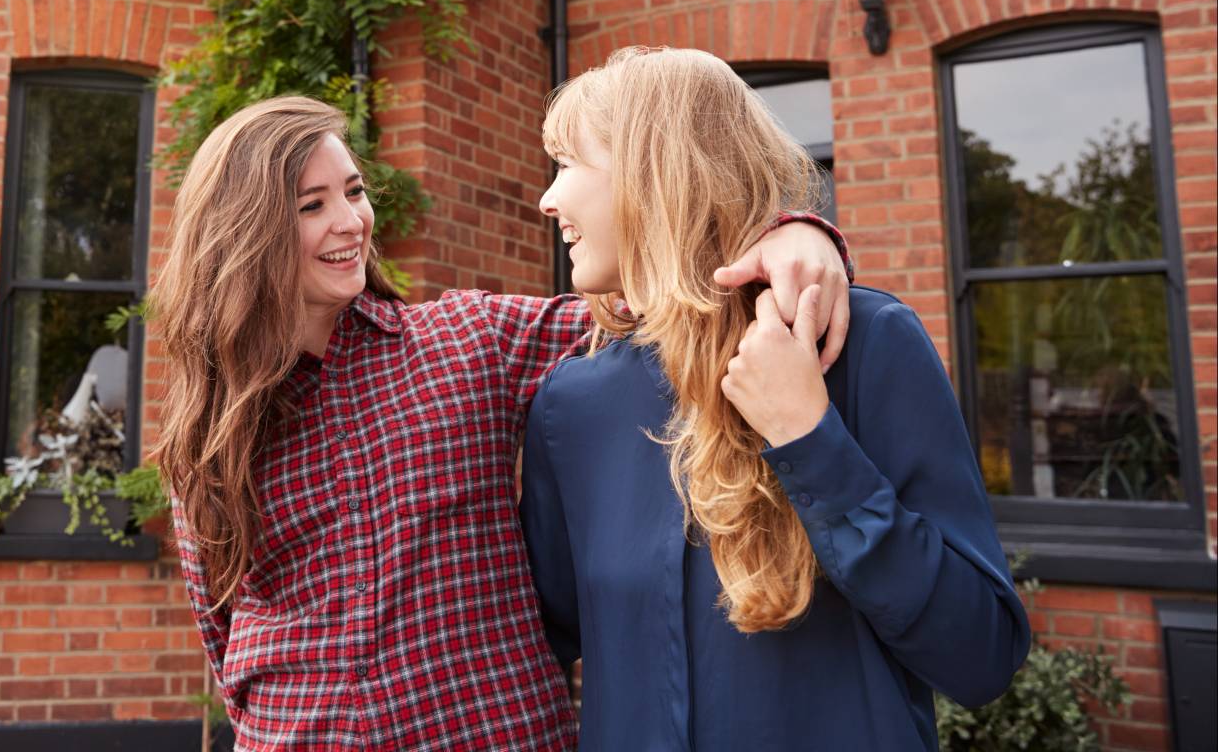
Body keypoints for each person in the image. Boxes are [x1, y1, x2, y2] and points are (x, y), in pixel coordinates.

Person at [151, 94, 854, 750]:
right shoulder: (211, 429)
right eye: (313, 204)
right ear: (248, 232)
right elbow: (223, 630)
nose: (350, 221)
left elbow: (669, 310)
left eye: (354, 192)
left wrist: (795, 232)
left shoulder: (469, 340)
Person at [520, 46, 1029, 751]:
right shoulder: (571, 403)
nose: (547, 199)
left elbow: (981, 654)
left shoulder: (862, 344)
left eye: (568, 163)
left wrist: (809, 436)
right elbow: (534, 633)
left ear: (653, 174)